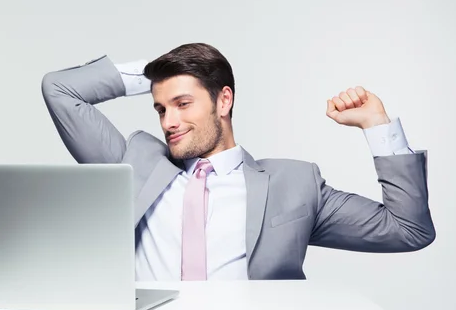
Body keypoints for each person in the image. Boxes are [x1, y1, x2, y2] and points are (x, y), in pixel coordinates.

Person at [41, 43, 435, 281]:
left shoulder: (294, 183)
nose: (169, 121)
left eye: (183, 103)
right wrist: (157, 74)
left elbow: (407, 231)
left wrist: (377, 126)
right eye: (161, 108)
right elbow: (59, 89)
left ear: (223, 100)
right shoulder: (135, 162)